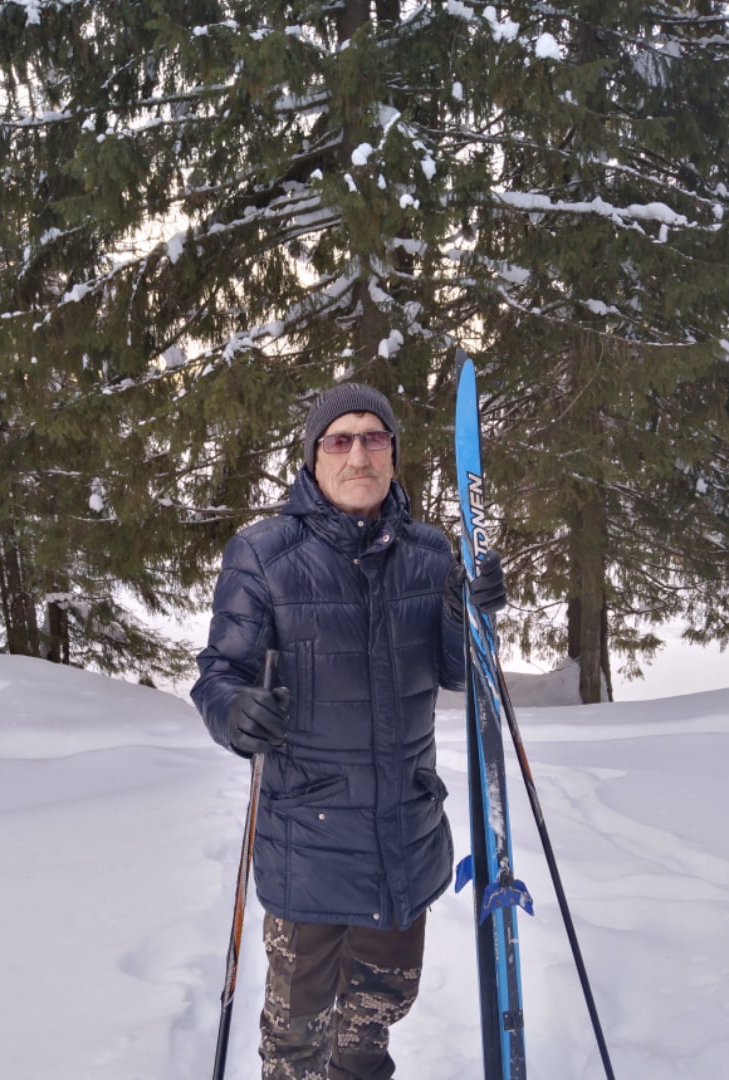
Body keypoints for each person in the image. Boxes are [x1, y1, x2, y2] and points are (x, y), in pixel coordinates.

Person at [192, 383, 506, 1079]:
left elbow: (457, 671)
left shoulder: (431, 553)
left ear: (393, 454)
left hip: (404, 841)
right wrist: (235, 711)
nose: (358, 454)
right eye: (340, 439)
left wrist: (473, 614)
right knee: (296, 1044)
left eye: (374, 437)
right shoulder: (263, 554)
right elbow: (219, 674)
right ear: (313, 457)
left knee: (373, 1025)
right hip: (310, 848)